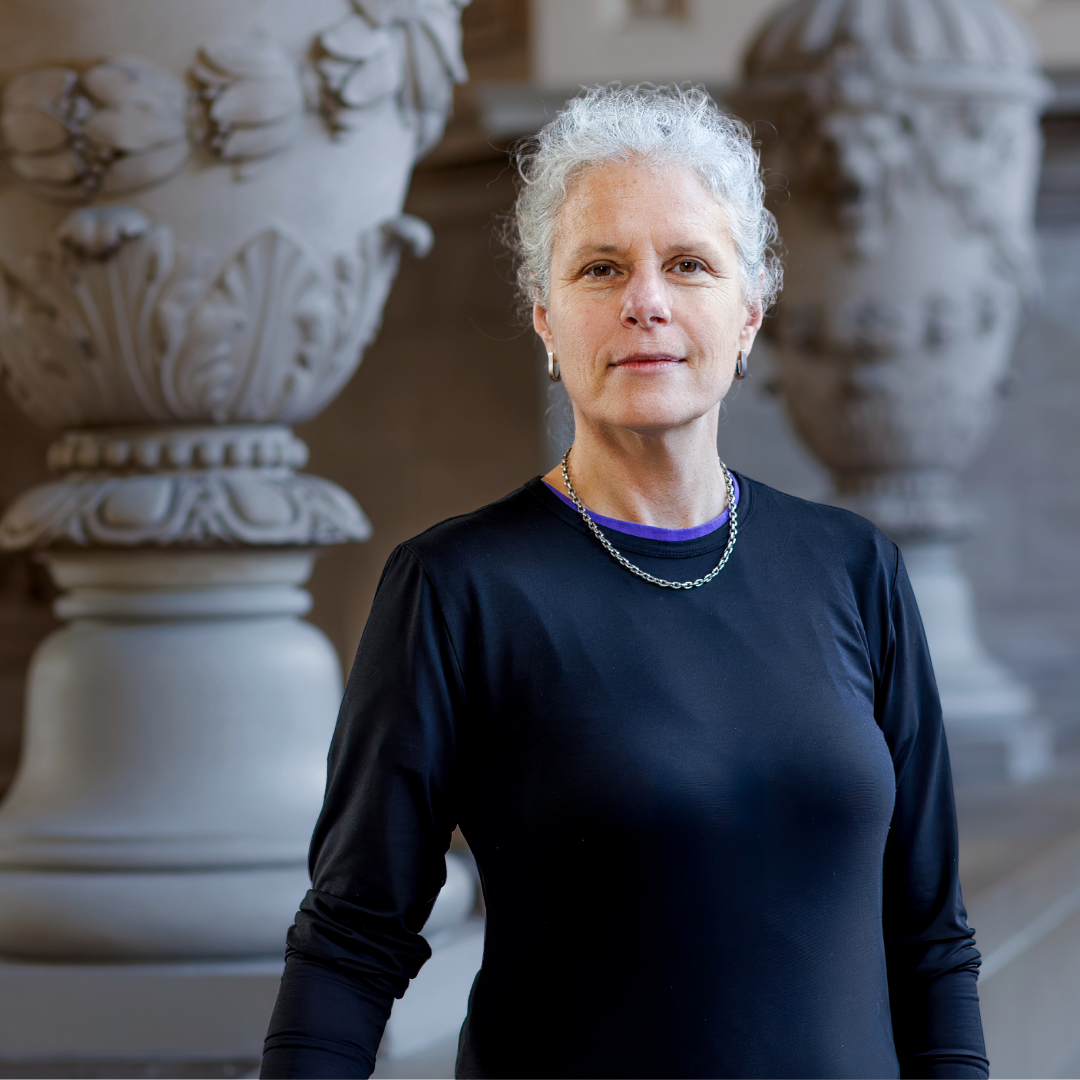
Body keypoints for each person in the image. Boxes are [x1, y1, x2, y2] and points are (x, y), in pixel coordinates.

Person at [261, 84, 987, 1080]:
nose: (646, 301)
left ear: (748, 316)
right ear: (546, 320)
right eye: (601, 268)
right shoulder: (456, 589)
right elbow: (354, 935)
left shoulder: (855, 569)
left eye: (689, 264)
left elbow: (931, 936)